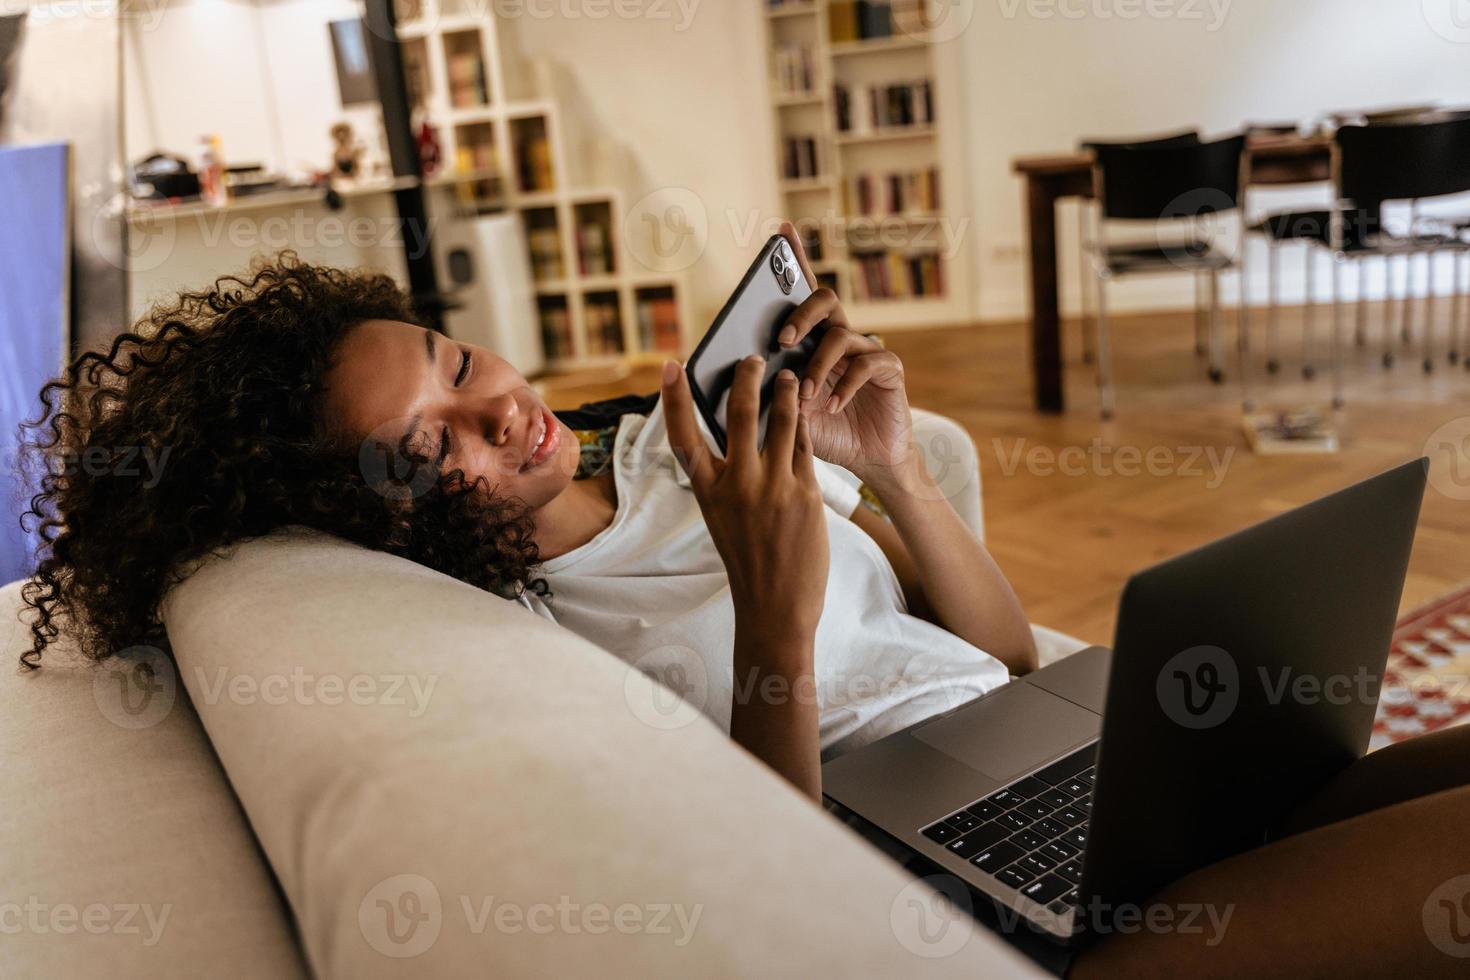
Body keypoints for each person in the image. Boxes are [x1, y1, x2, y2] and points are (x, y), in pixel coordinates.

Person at [19, 223, 1470, 975]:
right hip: (978, 895)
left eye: (461, 370)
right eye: (425, 454)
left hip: (1071, 759)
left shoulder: (682, 446)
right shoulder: (531, 628)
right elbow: (763, 855)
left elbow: (1004, 658)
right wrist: (773, 613)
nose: (493, 420)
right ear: (363, 517)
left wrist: (896, 476)